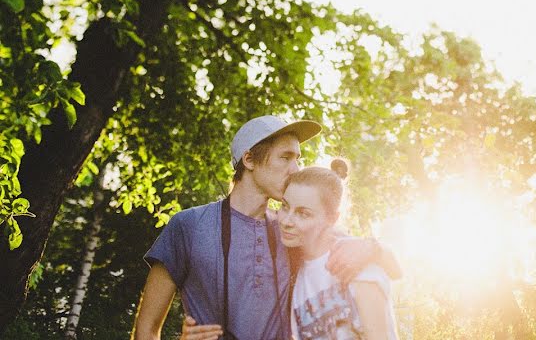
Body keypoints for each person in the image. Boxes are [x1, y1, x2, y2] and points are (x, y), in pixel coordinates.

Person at [131, 115, 399, 340]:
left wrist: (372, 247)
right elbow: (146, 327)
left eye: (298, 158)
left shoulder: (292, 230)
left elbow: (391, 266)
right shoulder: (187, 226)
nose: (295, 169)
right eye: (285, 157)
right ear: (249, 160)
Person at [279, 159, 398, 340]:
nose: (286, 221)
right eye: (285, 206)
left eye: (303, 213)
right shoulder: (296, 275)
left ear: (332, 218)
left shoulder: (356, 261)